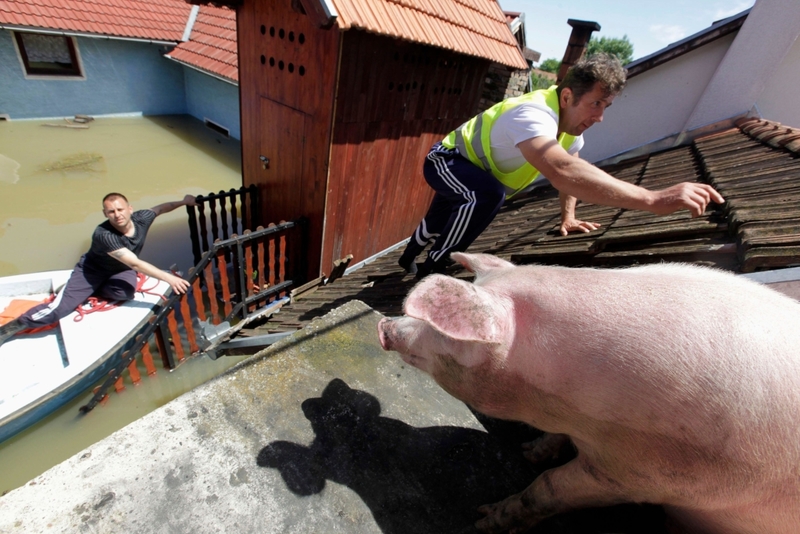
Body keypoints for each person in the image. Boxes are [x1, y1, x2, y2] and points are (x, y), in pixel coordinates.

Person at [398, 53, 725, 278]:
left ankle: (406, 257)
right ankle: (435, 267)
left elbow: (573, 167)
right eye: (596, 104)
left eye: (606, 106)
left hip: (471, 174)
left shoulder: (569, 133)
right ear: (567, 97)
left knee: (439, 217)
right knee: (484, 196)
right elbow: (563, 172)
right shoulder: (532, 114)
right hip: (446, 160)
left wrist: (568, 215)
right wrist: (652, 200)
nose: (600, 117)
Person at [0, 192, 197, 347]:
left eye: (120, 209)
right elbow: (135, 264)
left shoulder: (142, 218)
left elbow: (161, 208)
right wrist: (169, 278)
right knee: (58, 310)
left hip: (119, 269)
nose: (117, 215)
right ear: (105, 214)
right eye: (111, 211)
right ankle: (9, 328)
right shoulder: (104, 234)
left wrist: (184, 201)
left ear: (130, 209)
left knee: (125, 293)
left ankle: (87, 291)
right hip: (91, 271)